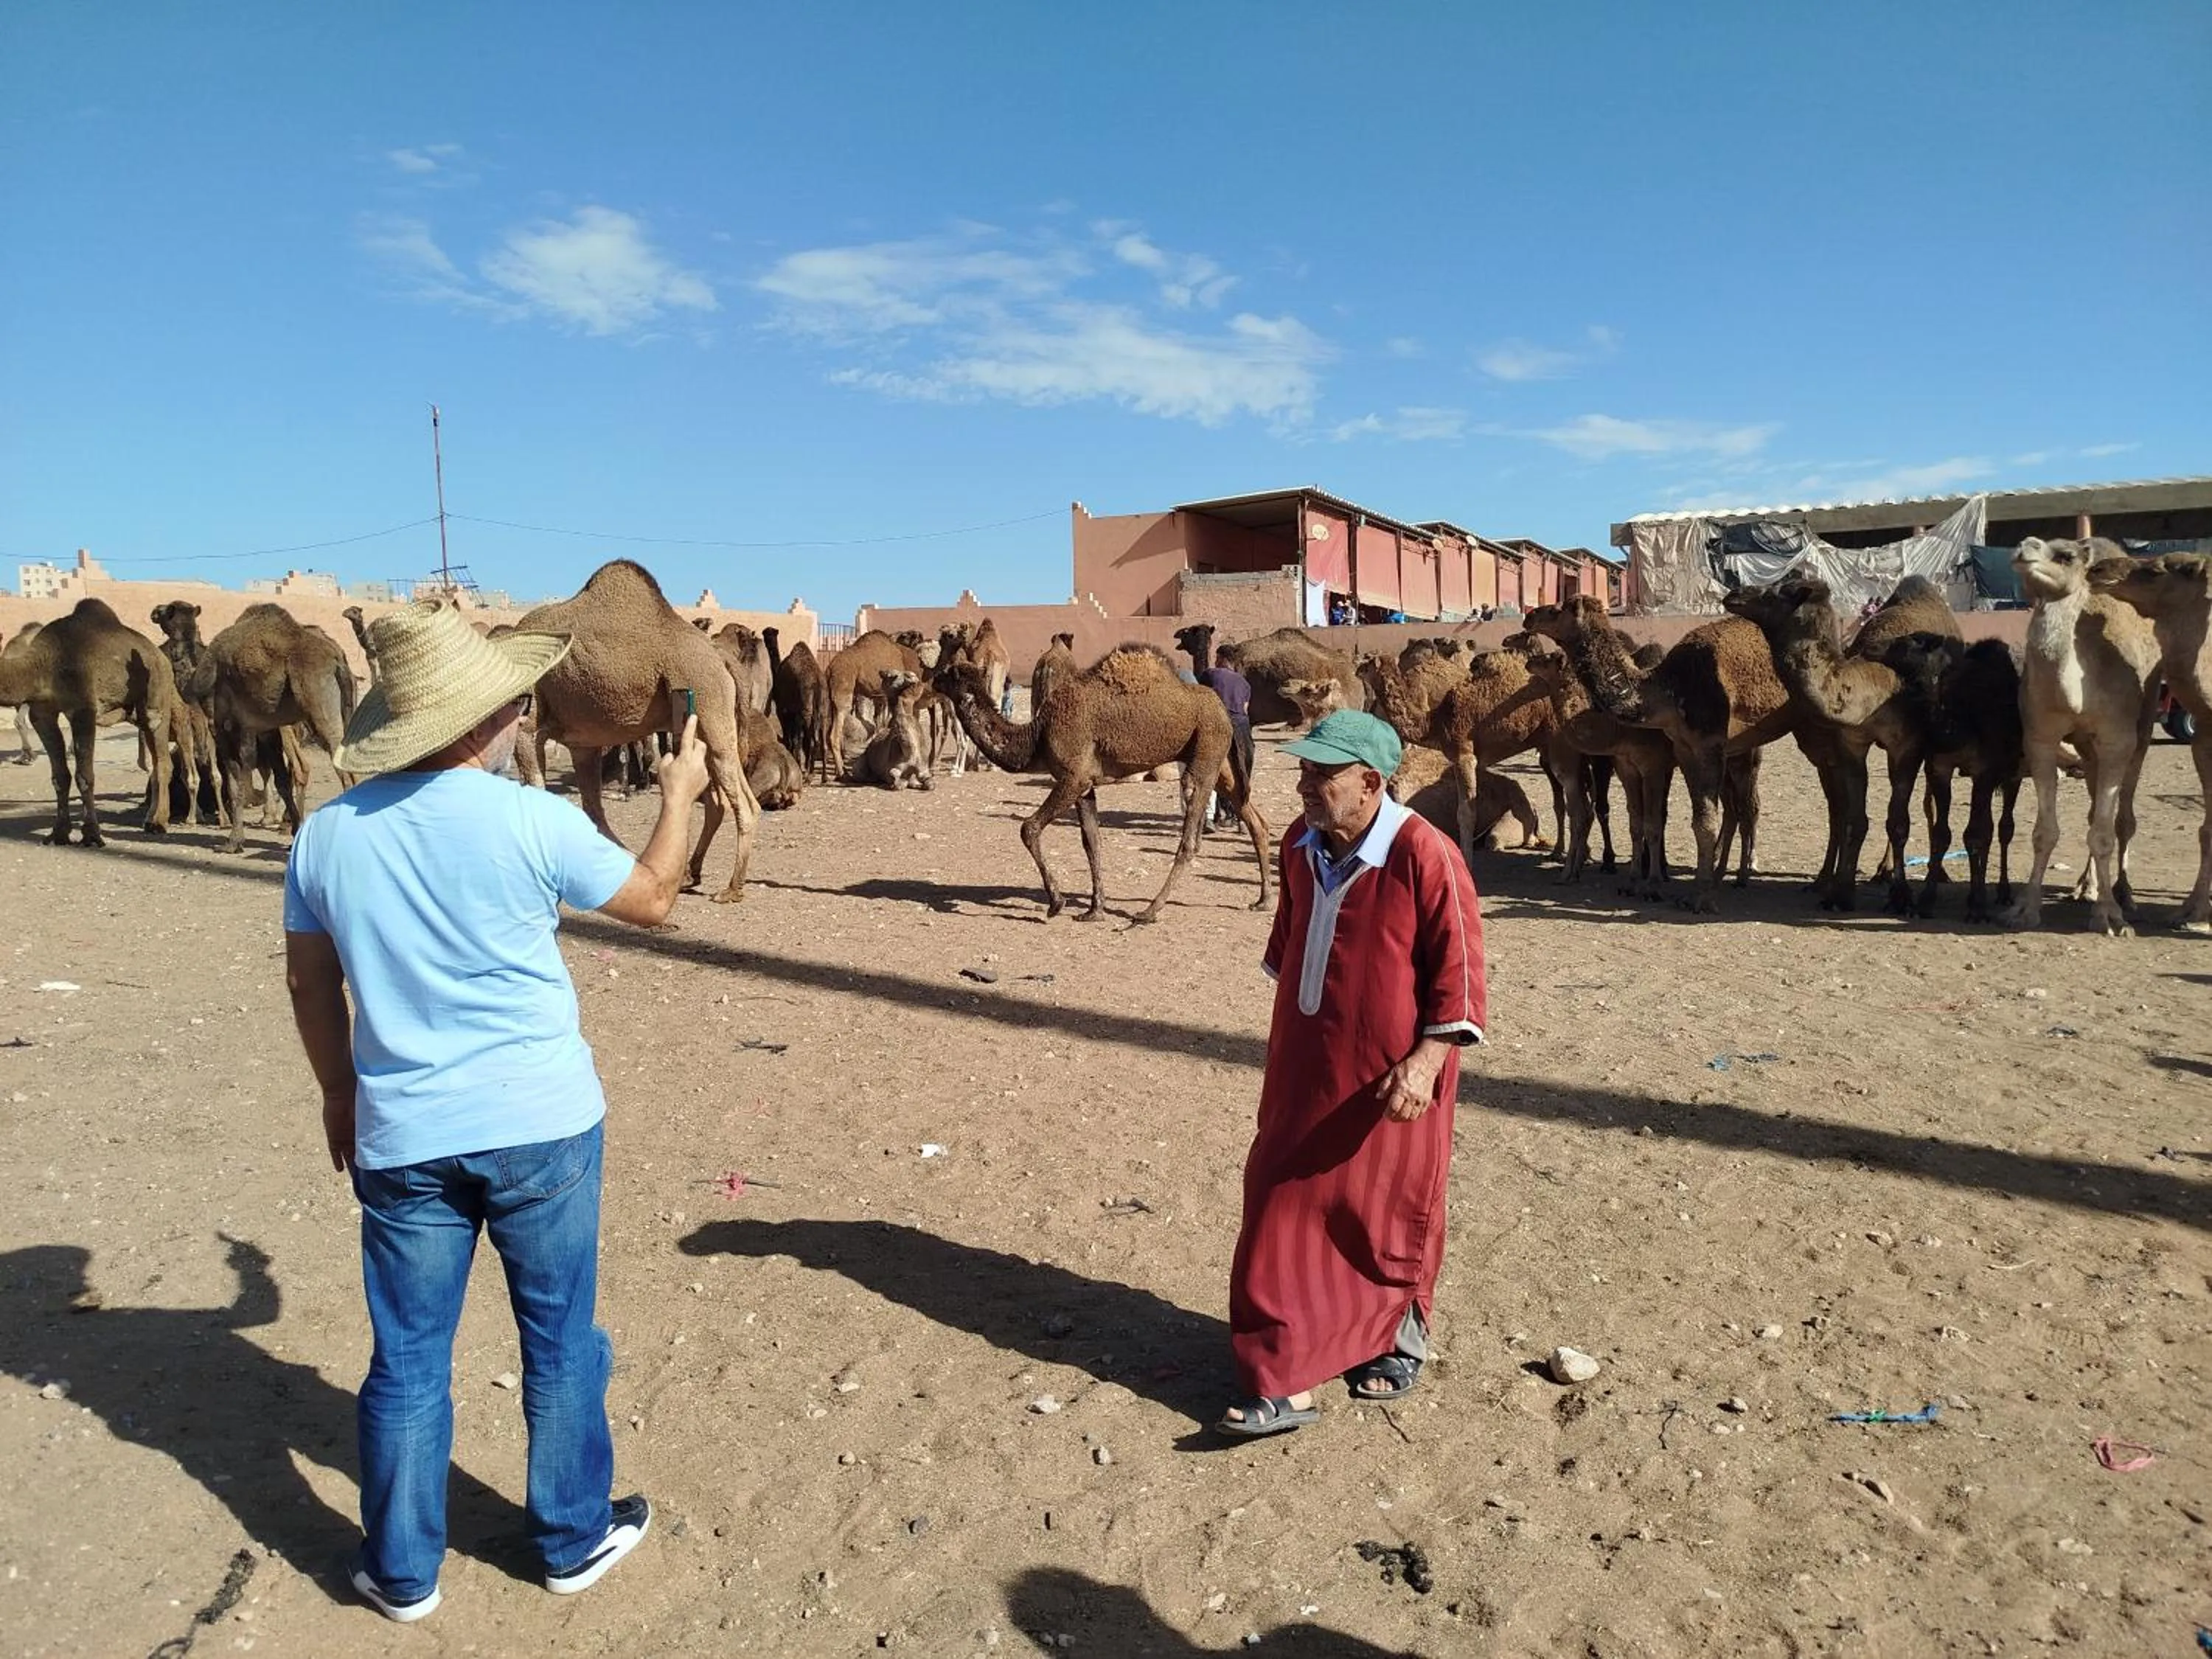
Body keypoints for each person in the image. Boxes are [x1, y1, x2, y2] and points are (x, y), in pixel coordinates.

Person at [282, 600, 712, 1621]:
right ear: (487, 718)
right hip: (540, 1127)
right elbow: (654, 898)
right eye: (515, 700)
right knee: (559, 1341)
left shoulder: (326, 835)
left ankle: (400, 1569)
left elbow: (309, 985)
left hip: (401, 1133)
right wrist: (682, 793)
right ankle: (569, 1535)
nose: (524, 712)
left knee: (409, 1357)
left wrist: (340, 1090)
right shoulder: (532, 819)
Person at [1218, 709, 1486, 1438]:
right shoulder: (1300, 847)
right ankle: (1280, 1372)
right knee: (1277, 1193)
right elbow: (1290, 951)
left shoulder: (1424, 853)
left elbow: (1460, 982)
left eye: (1321, 774)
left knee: (1384, 1207)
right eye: (1303, 770)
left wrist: (1426, 1064)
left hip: (1397, 1074)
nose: (1304, 785)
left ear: (1370, 782)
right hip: (1307, 1064)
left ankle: (1397, 1336)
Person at [1195, 655, 1254, 832]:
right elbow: (1245, 709)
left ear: (1220, 660)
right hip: (1242, 724)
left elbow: (1200, 698)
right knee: (1242, 771)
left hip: (1219, 722)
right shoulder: (1244, 683)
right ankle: (1241, 818)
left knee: (1212, 769)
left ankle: (1210, 817)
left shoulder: (1208, 674)